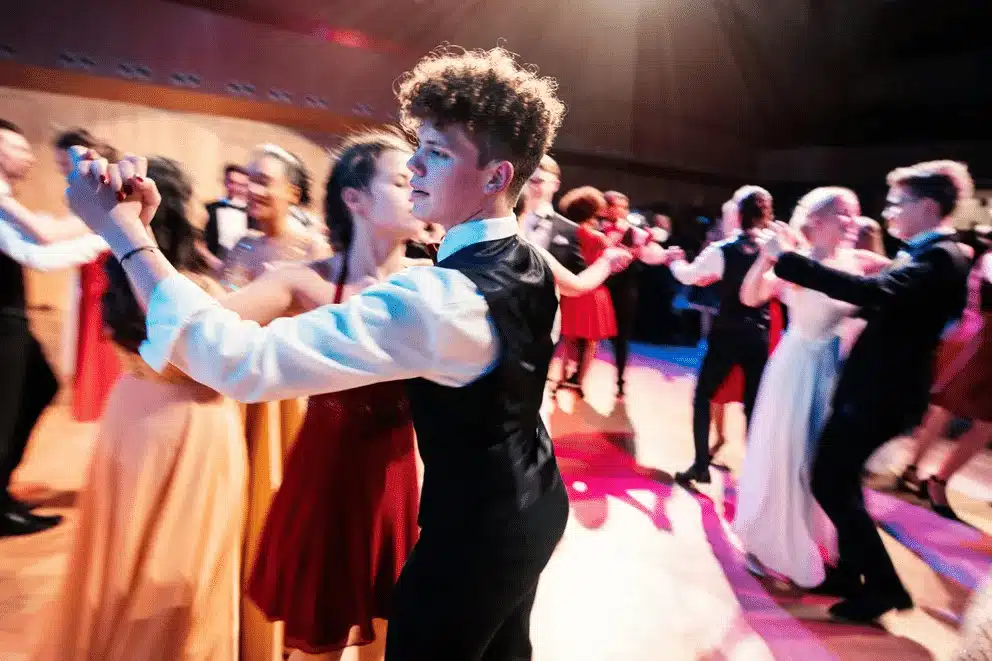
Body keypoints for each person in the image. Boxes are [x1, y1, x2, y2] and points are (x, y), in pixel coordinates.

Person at [65, 46, 631, 660]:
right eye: (418, 150)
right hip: (533, 501)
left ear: (497, 178)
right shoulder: (520, 257)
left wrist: (127, 238)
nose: (415, 167)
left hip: (475, 532)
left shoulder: (440, 296)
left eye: (437, 154)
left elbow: (242, 363)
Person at [30, 157, 247, 661]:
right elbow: (225, 353)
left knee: (120, 552)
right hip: (192, 423)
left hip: (131, 416)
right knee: (182, 562)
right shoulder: (195, 291)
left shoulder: (118, 277)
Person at [761, 160, 973, 623]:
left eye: (899, 202)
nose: (890, 212)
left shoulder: (941, 257)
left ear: (929, 206)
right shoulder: (928, 252)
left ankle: (881, 587)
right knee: (834, 479)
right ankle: (852, 573)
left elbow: (871, 292)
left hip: (884, 393)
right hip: (873, 387)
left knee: (830, 480)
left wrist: (789, 260)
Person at [732, 187, 864, 588]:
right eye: (842, 213)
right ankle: (766, 542)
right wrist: (766, 258)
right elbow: (751, 295)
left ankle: (814, 541)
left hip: (833, 370)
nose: (851, 221)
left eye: (854, 214)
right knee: (786, 454)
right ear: (817, 220)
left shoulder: (855, 263)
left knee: (819, 460)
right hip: (795, 369)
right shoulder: (797, 264)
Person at [0, 120, 110, 537]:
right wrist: (108, 228)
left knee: (40, 386)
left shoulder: (8, 198)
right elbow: (40, 247)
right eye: (17, 147)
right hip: (4, 321)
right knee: (10, 407)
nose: (29, 156)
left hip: (12, 319)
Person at [669, 186, 775, 484]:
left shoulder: (723, 250)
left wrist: (673, 261)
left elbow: (690, 276)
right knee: (755, 405)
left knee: (704, 396)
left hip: (728, 332)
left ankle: (701, 465)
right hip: (759, 334)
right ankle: (755, 473)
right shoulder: (775, 249)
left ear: (739, 215)